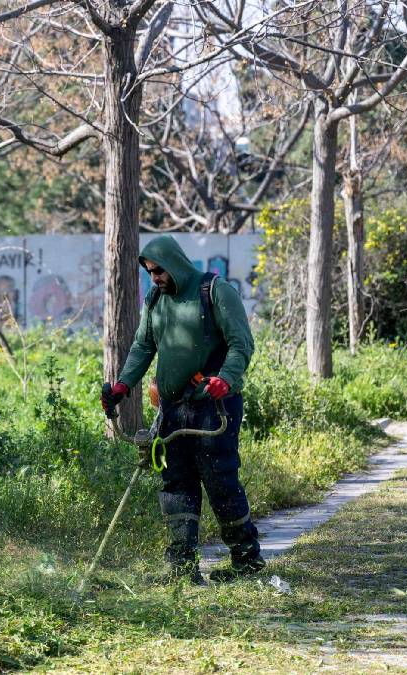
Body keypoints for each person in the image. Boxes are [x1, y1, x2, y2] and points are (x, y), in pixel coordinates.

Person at [100, 235, 262, 585]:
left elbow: (241, 344)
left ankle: (247, 562)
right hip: (173, 411)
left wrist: (226, 378)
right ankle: (182, 568)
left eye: (158, 271)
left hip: (214, 408)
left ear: (174, 264)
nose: (154, 278)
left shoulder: (215, 291)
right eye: (149, 272)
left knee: (220, 481)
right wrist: (123, 385)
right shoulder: (156, 298)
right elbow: (144, 345)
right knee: (176, 484)